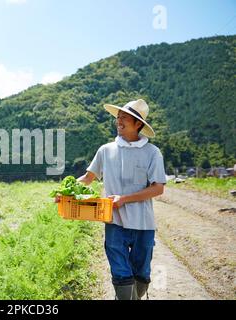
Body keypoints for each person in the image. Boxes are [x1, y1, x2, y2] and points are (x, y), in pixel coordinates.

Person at [77, 99, 166, 300]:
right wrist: (64, 192)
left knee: (142, 274)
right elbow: (88, 178)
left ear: (138, 124)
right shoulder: (106, 150)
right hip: (114, 221)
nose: (119, 121)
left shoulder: (152, 152)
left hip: (143, 223)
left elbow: (158, 188)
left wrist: (124, 199)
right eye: (118, 117)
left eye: (124, 118)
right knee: (120, 273)